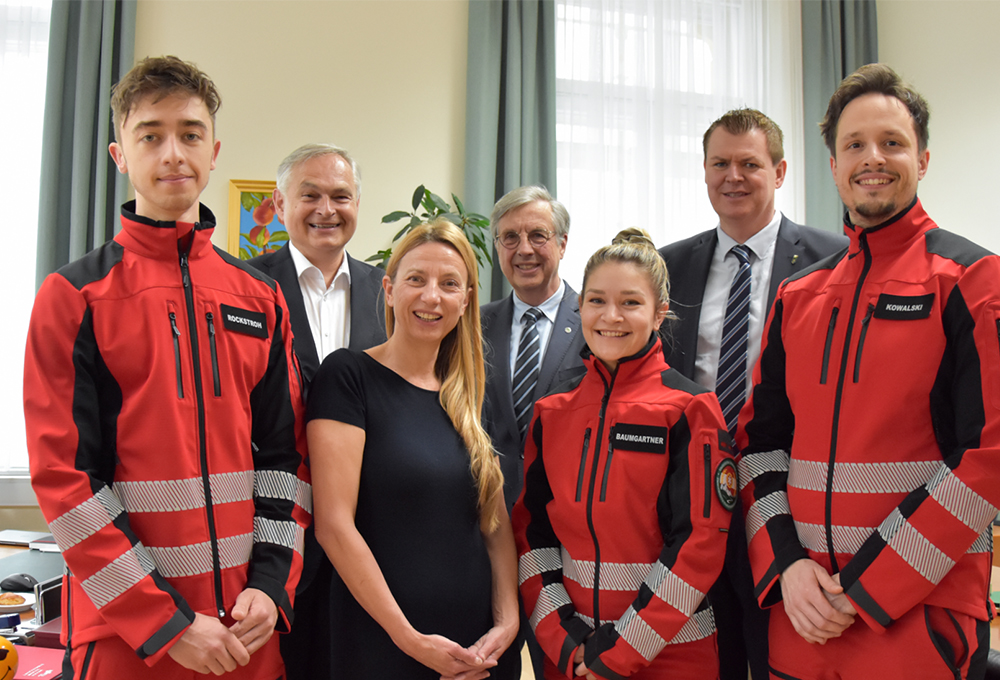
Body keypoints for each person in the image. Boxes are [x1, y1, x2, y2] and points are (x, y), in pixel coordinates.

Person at [23, 56, 309, 679]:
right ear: (118, 155)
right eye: (150, 135)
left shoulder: (259, 297)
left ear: (214, 151)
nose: (173, 152)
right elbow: (67, 483)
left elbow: (286, 463)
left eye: (190, 133)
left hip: (245, 628)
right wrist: (164, 622)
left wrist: (269, 584)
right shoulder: (74, 297)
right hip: (130, 638)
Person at [738, 63, 1000, 679]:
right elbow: (760, 446)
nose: (872, 159)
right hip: (802, 614)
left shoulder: (973, 281)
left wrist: (868, 587)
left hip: (915, 614)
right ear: (832, 165)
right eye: (854, 144)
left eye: (892, 142)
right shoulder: (797, 296)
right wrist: (788, 568)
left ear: (924, 159)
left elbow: (988, 456)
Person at [658, 108, 846, 680]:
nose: (732, 176)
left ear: (780, 171)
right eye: (720, 164)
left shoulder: (832, 259)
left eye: (749, 163)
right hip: (691, 499)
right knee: (706, 653)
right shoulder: (670, 266)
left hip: (790, 494)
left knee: (779, 655)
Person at [514, 228, 736, 680]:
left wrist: (621, 650)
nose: (610, 316)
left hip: (670, 656)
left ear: (660, 314)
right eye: (596, 300)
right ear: (579, 307)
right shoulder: (552, 411)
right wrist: (563, 637)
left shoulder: (690, 410)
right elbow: (532, 534)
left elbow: (700, 544)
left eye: (631, 303)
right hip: (573, 657)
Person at [306, 220, 520, 679]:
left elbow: (495, 524)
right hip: (384, 641)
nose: (431, 297)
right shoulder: (348, 377)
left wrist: (507, 619)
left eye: (449, 284)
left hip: (478, 647)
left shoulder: (472, 394)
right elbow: (334, 526)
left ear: (465, 302)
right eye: (416, 280)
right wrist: (409, 639)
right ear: (388, 289)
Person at [247, 143, 385, 680]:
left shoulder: (390, 292)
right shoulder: (245, 286)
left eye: (341, 196)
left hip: (369, 530)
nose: (327, 209)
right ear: (280, 205)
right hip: (272, 528)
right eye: (311, 195)